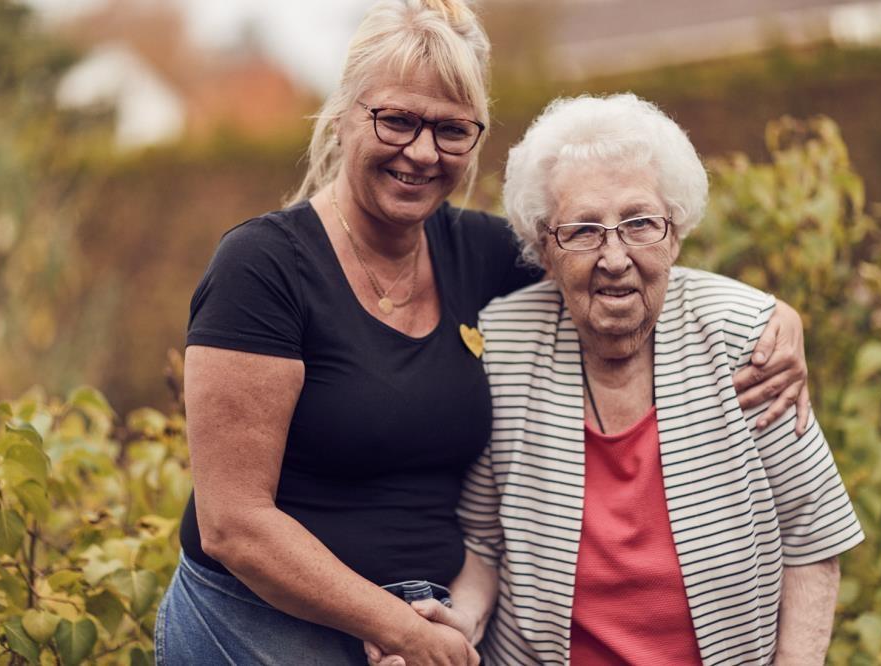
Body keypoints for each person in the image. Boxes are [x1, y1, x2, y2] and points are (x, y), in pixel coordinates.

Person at [155, 2, 812, 664]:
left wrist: (772, 319)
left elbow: (615, 263)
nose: (421, 152)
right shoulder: (262, 268)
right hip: (264, 625)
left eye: (451, 130)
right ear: (345, 114)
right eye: (397, 120)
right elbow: (234, 525)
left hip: (435, 619)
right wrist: (401, 629)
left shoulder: (483, 255)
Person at [401, 94, 862, 665]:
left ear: (675, 233)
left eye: (640, 223)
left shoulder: (745, 337)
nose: (615, 257)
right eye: (584, 230)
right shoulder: (504, 344)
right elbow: (484, 545)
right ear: (545, 246)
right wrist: (458, 623)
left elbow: (812, 537)